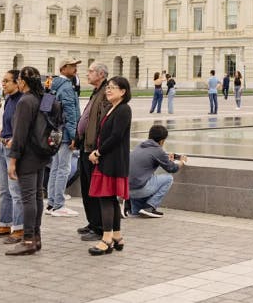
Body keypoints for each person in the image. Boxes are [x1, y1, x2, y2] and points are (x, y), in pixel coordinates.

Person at [4, 66, 49, 256]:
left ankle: (28, 239)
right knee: (37, 197)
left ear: (22, 82)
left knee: (28, 198)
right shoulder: (44, 98)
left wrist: (13, 162)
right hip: (42, 152)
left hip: (28, 155)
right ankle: (36, 237)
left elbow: (19, 135)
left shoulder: (25, 101)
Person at [86, 75, 132, 255]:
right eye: (108, 87)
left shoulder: (123, 110)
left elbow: (116, 137)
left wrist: (98, 152)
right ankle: (117, 236)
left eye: (113, 87)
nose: (108, 90)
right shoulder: (112, 108)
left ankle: (106, 239)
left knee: (106, 198)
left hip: (113, 161)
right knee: (110, 199)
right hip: (108, 159)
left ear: (123, 92)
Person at [73, 62, 109, 240]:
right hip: (84, 145)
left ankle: (100, 227)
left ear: (101, 74)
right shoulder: (97, 91)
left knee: (94, 189)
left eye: (91, 71)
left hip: (93, 148)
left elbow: (102, 122)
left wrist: (97, 147)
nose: (87, 74)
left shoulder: (105, 92)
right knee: (87, 187)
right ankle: (92, 222)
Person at [0, 70, 23, 240]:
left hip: (12, 148)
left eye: (7, 81)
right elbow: (7, 122)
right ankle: (5, 224)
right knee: (4, 189)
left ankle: (19, 227)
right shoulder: (8, 99)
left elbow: (24, 126)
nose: (3, 83)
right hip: (2, 145)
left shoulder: (22, 101)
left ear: (17, 83)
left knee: (16, 190)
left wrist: (14, 139)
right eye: (3, 80)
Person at [44, 59, 81, 218]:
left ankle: (51, 203)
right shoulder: (66, 87)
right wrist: (75, 136)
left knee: (55, 168)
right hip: (65, 134)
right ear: (63, 68)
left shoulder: (52, 84)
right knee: (63, 169)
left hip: (55, 132)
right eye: (72, 66)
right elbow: (71, 114)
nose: (75, 69)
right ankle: (58, 204)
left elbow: (44, 108)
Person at [128, 123, 186, 218]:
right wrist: (182, 162)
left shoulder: (139, 146)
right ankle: (150, 207)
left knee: (144, 176)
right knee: (168, 179)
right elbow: (173, 168)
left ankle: (137, 210)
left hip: (126, 191)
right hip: (139, 190)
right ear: (162, 141)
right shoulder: (158, 150)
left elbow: (147, 162)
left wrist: (167, 159)